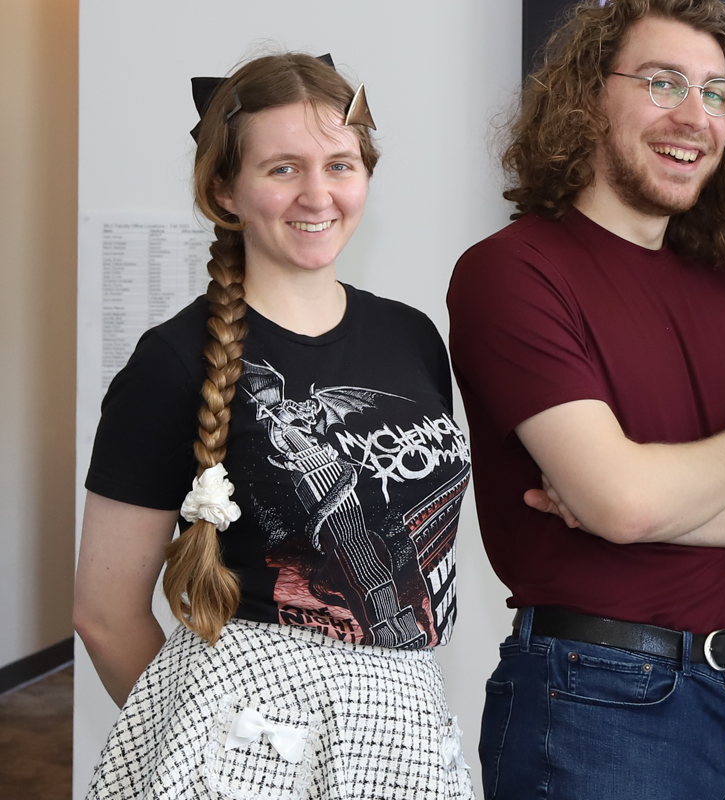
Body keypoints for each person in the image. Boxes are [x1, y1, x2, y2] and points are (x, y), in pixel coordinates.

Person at [447, 0, 725, 800]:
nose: (695, 116)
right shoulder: (511, 272)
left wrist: (632, 505)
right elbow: (622, 502)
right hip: (592, 697)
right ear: (589, 99)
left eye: (716, 92)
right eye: (663, 83)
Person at [74, 53, 473, 799]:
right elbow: (104, 614)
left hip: (404, 725)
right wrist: (208, 739)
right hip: (247, 748)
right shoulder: (173, 360)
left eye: (340, 164)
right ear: (225, 190)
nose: (317, 194)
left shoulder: (413, 337)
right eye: (283, 168)